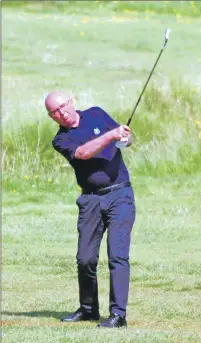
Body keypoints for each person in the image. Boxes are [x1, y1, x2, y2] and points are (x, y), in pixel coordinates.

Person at [45, 91, 136, 328]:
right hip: (90, 200)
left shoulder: (96, 114)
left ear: (71, 102)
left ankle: (118, 315)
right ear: (51, 117)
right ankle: (88, 310)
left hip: (120, 195)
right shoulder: (61, 140)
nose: (61, 113)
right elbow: (83, 153)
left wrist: (125, 138)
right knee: (85, 259)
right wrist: (111, 136)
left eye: (63, 106)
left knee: (118, 256)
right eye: (54, 112)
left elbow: (126, 138)